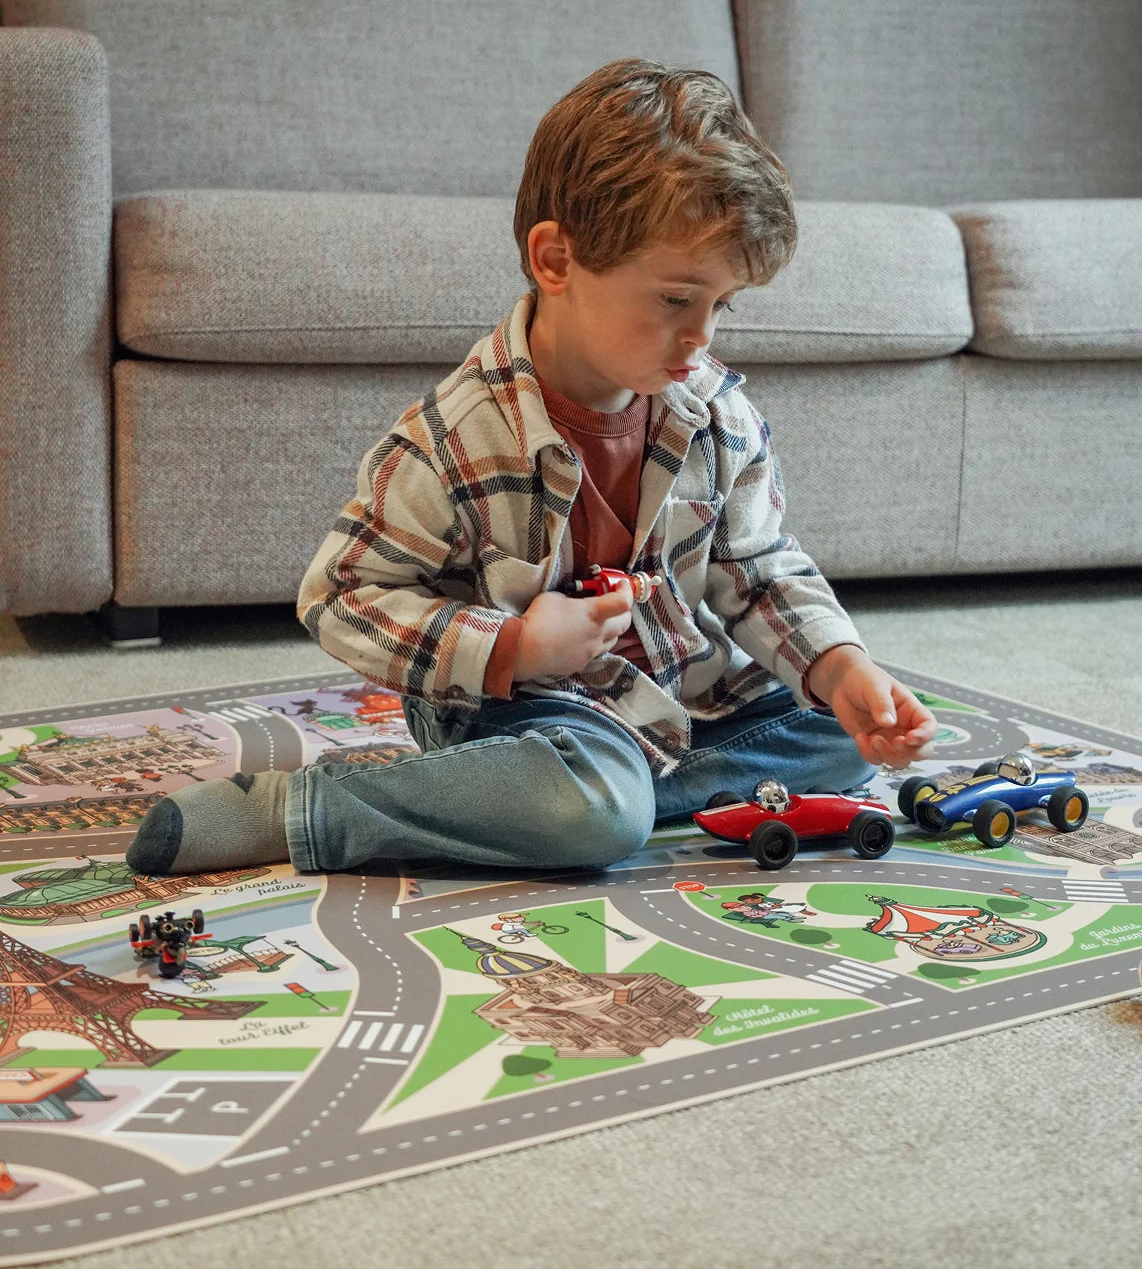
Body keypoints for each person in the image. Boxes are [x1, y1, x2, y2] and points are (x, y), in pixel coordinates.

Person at [126, 58, 936, 879]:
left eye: (720, 306)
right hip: (517, 709)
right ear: (556, 260)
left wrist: (840, 668)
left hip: (678, 697)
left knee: (838, 742)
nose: (701, 337)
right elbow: (339, 594)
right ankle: (315, 807)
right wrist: (513, 643)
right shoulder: (455, 437)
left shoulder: (717, 414)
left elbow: (757, 569)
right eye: (673, 299)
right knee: (588, 803)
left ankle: (587, 798)